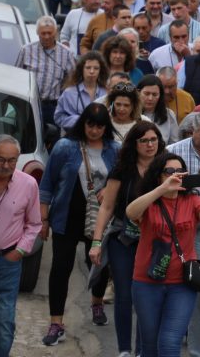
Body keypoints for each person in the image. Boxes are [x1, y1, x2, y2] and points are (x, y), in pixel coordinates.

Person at [126, 151, 200, 357]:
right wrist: (162, 189)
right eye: (169, 171)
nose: (176, 174)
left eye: (180, 171)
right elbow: (131, 213)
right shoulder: (150, 200)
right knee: (150, 346)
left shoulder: (192, 200)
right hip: (147, 281)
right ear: (159, 175)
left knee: (170, 343)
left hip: (182, 282)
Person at [37, 103, 117, 345]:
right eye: (90, 125)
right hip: (66, 216)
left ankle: (96, 302)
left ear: (106, 127)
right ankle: (56, 321)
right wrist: (43, 219)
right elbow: (48, 184)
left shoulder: (115, 149)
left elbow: (121, 181)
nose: (94, 130)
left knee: (98, 264)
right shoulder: (64, 147)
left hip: (99, 217)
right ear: (83, 123)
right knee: (61, 268)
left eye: (99, 126)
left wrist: (107, 190)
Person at [89, 122, 165, 356]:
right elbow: (107, 207)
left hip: (156, 241)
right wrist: (97, 241)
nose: (150, 145)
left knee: (147, 295)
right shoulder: (122, 169)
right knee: (124, 294)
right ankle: (124, 350)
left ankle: (143, 349)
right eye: (144, 140)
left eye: (154, 140)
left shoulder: (164, 168)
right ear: (134, 143)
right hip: (124, 238)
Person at [0, 135, 43, 356]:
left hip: (8, 261)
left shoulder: (28, 184)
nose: (6, 166)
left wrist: (20, 251)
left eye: (12, 160)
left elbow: (34, 224)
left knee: (4, 323)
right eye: (0, 159)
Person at [16, 16, 75, 127]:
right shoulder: (26, 50)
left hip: (53, 106)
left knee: (53, 138)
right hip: (28, 104)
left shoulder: (67, 54)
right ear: (38, 33)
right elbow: (17, 76)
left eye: (50, 33)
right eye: (43, 33)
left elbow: (72, 81)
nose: (47, 37)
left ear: (56, 33)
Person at [55, 52, 108, 131]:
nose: (92, 71)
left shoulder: (106, 92)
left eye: (96, 68)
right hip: (75, 135)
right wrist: (79, 120)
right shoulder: (69, 93)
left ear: (101, 71)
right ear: (81, 69)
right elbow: (58, 117)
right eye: (88, 67)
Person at [138, 74, 180, 142]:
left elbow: (174, 143)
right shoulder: (130, 113)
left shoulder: (169, 115)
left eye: (155, 95)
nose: (150, 98)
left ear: (160, 96)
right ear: (138, 92)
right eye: (146, 93)